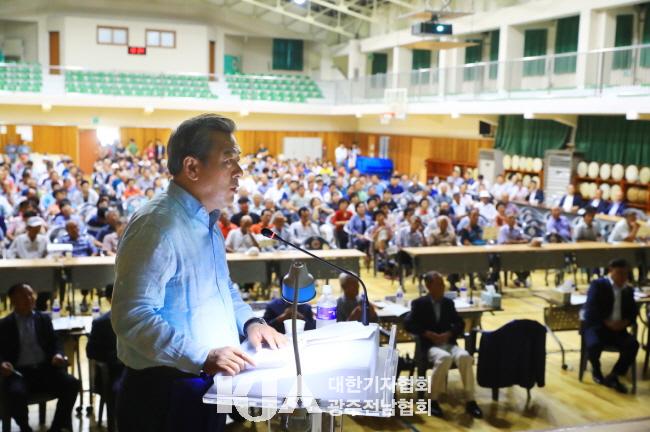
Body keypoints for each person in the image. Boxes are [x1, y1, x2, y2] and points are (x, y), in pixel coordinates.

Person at [111, 114, 285, 432]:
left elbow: (223, 288)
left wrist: (250, 323)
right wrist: (202, 355)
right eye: (228, 160)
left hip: (210, 380)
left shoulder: (208, 220)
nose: (239, 171)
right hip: (165, 391)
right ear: (192, 167)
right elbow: (132, 316)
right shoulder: (156, 225)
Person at [0, 283, 79, 432]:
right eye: (24, 296)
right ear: (13, 300)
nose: (29, 299)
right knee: (15, 394)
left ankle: (56, 428)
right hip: (19, 373)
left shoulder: (43, 319)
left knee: (72, 384)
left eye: (31, 294)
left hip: (45, 369)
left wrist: (58, 354)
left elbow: (55, 342)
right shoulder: (5, 325)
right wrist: (2, 363)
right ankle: (25, 428)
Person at [403, 272, 482, 419]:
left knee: (465, 357)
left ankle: (471, 401)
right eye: (439, 284)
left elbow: (459, 323)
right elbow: (409, 324)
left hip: (448, 342)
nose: (443, 286)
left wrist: (449, 334)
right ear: (428, 286)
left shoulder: (448, 303)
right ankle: (432, 400)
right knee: (444, 358)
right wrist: (427, 334)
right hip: (430, 346)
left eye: (442, 283)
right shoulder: (419, 304)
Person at [583, 259, 638, 393]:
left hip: (619, 330)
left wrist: (625, 323)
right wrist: (607, 322)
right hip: (598, 327)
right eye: (619, 273)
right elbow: (591, 309)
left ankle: (614, 374)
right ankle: (596, 370)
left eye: (625, 274)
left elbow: (633, 312)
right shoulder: (598, 285)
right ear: (611, 271)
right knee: (593, 345)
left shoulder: (628, 290)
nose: (623, 277)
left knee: (633, 345)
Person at [86, 284, 123, 431]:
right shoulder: (101, 323)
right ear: (109, 299)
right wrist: (117, 355)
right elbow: (91, 351)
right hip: (115, 373)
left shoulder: (141, 318)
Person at [497, 211, 530, 286]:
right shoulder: (503, 229)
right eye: (510, 218)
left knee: (529, 261)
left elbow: (523, 238)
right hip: (505, 254)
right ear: (506, 220)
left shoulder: (517, 229)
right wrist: (519, 242)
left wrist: (524, 240)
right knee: (513, 261)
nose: (512, 220)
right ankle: (522, 279)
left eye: (513, 218)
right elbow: (505, 242)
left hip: (517, 252)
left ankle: (519, 279)